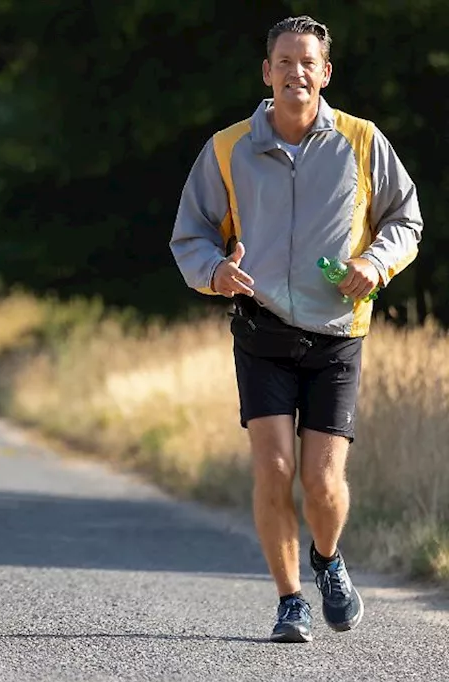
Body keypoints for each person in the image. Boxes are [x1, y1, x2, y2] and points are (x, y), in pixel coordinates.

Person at [170, 16, 422, 643]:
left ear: (325, 72)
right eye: (284, 61)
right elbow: (191, 234)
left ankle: (328, 560)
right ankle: (290, 601)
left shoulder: (362, 143)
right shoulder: (229, 148)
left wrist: (375, 262)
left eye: (307, 62)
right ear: (267, 72)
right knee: (273, 468)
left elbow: (405, 220)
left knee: (323, 480)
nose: (296, 72)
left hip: (339, 333)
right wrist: (215, 274)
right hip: (263, 331)